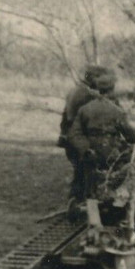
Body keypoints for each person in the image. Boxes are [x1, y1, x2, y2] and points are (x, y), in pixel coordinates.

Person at [67, 70, 135, 210]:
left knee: (90, 183)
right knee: (120, 174)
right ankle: (113, 203)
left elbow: (74, 134)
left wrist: (86, 149)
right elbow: (130, 135)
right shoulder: (117, 111)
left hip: (91, 152)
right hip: (111, 151)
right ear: (112, 90)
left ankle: (92, 212)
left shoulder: (85, 109)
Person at [58, 65, 106, 207]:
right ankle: (81, 205)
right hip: (78, 139)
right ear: (92, 78)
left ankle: (76, 203)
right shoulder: (86, 95)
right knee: (86, 172)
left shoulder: (75, 90)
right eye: (99, 79)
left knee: (80, 172)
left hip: (70, 138)